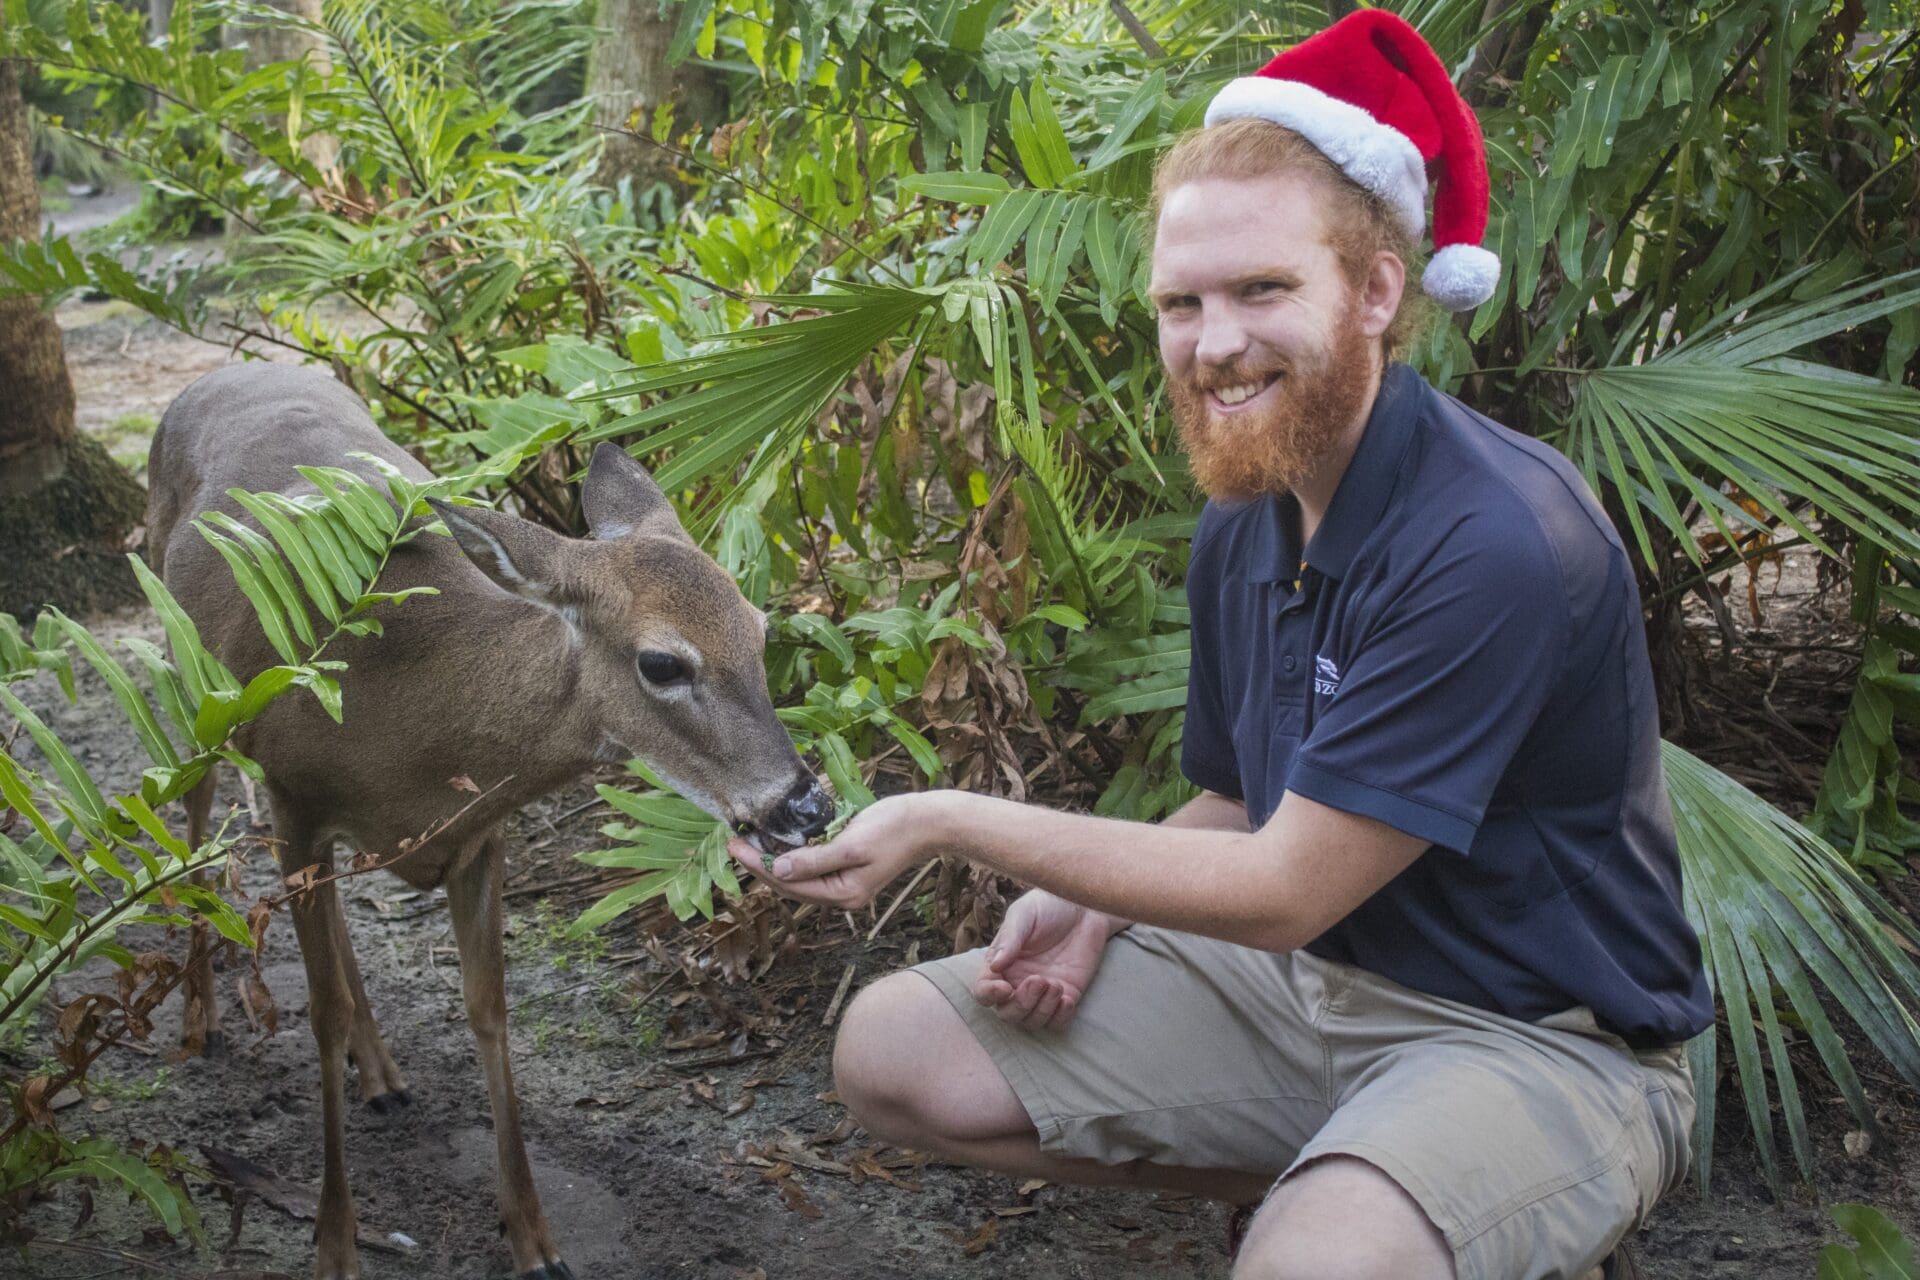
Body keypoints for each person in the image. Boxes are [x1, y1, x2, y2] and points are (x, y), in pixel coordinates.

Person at [727, 12, 1713, 1279]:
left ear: (1376, 290)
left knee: (1308, 1268)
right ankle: (1365, 1183)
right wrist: (1086, 902)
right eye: (1181, 303)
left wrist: (942, 815)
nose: (1214, 343)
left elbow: (1283, 882)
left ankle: (1428, 1211)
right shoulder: (1247, 517)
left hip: (1534, 1037)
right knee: (894, 1054)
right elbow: (1240, 802)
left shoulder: (1493, 539)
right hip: (1309, 990)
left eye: (1262, 290)